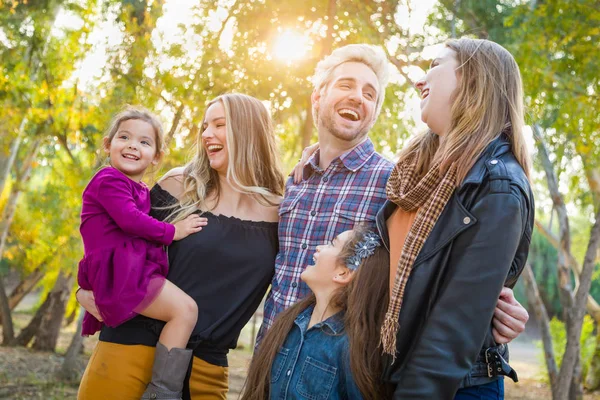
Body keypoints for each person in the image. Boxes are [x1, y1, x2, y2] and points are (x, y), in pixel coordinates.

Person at [260, 44, 529, 354]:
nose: (357, 96)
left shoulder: (398, 185)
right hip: (269, 352)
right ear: (318, 98)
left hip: (335, 368)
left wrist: (498, 305)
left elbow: (440, 262)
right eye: (345, 84)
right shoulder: (294, 183)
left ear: (375, 113)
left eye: (370, 94)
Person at [77, 93, 285, 400]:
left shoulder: (283, 211)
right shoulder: (179, 185)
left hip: (208, 367)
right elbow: (113, 235)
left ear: (249, 131)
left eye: (219, 125)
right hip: (130, 349)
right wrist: (84, 288)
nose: (206, 134)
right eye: (205, 126)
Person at [377, 38, 534, 399]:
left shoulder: (498, 186)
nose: (419, 81)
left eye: (435, 64)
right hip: (390, 372)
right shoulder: (415, 174)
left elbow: (454, 328)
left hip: (449, 388)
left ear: (473, 81)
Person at [77, 106, 206, 399]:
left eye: (145, 142)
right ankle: (163, 392)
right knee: (185, 311)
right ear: (108, 145)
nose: (133, 145)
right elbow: (129, 220)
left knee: (183, 311)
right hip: (121, 272)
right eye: (124, 137)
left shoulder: (140, 189)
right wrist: (173, 231)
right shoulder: (108, 179)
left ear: (156, 156)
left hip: (126, 268)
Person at [243, 227, 391, 400]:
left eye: (331, 244)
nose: (319, 247)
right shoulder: (288, 323)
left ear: (343, 273)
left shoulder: (350, 348)